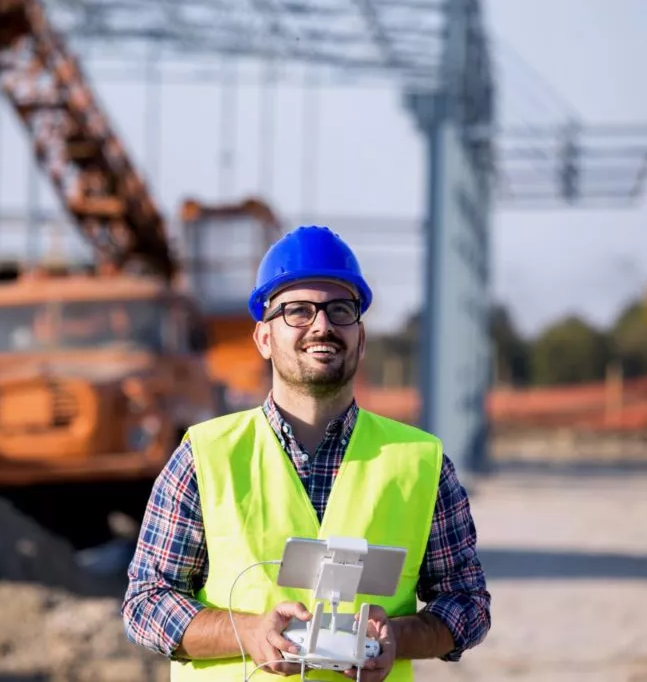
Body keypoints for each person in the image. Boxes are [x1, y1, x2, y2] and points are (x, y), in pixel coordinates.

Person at [122, 225, 491, 681]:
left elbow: (468, 604)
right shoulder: (203, 458)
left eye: (340, 310)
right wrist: (248, 632)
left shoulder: (421, 463)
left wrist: (396, 637)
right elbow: (146, 603)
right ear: (262, 338)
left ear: (361, 335)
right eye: (297, 311)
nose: (322, 325)